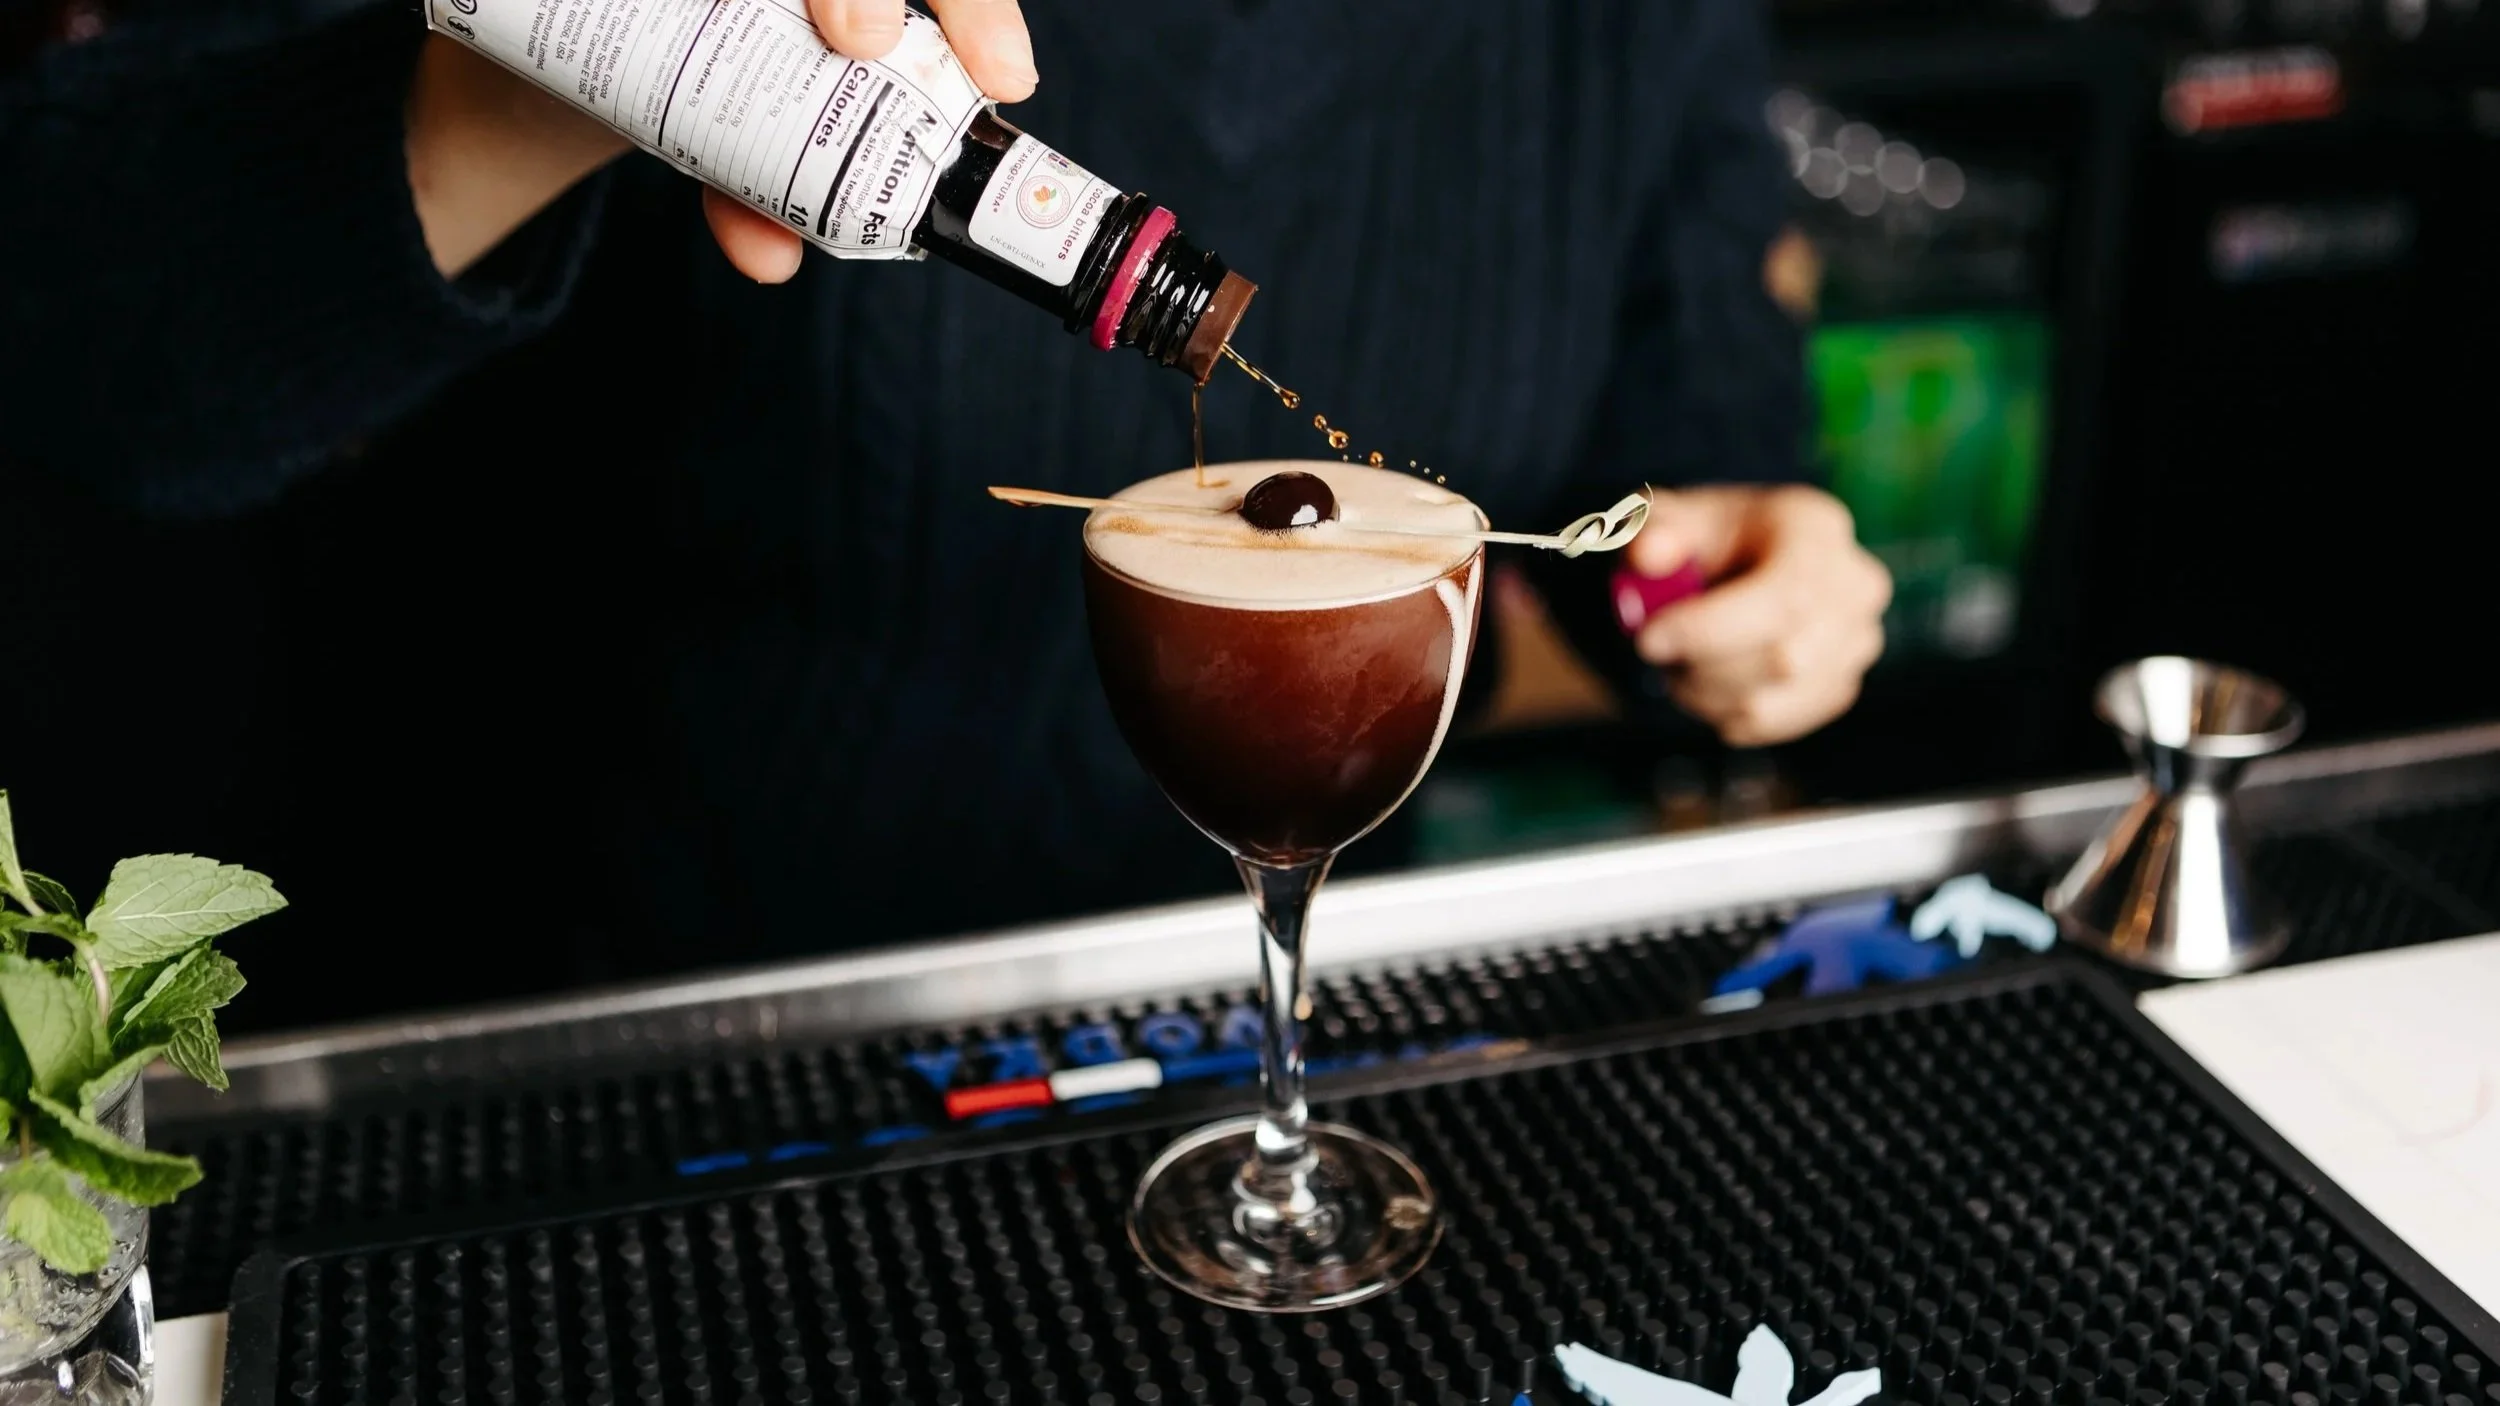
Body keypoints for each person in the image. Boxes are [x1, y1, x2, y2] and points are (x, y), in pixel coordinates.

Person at [1, 0, 1889, 1021]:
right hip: (665, 1047)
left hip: (1261, 1028)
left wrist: (1735, 572)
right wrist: (555, 67)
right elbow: (87, 349)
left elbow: (1696, 427)